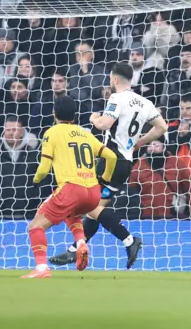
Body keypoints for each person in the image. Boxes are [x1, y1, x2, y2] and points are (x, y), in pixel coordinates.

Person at [49, 62, 168, 269]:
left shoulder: (116, 98)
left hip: (111, 162)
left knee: (88, 205)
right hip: (126, 161)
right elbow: (162, 127)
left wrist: (94, 118)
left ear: (114, 79)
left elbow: (104, 124)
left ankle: (129, 240)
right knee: (96, 208)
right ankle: (74, 249)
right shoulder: (144, 102)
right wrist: (139, 142)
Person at [22, 95, 118, 278]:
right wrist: (104, 179)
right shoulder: (85, 133)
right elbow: (111, 157)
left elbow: (43, 169)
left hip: (72, 189)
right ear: (74, 115)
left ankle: (41, 268)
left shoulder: (52, 132)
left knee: (35, 226)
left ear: (54, 113)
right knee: (71, 212)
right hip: (93, 194)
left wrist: (34, 182)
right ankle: (81, 242)